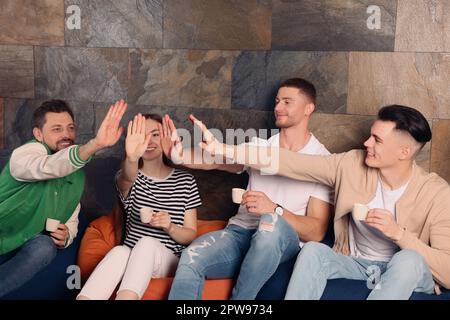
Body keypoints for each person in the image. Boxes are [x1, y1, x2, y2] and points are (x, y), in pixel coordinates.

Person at [193, 104, 450, 299]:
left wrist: (399, 234)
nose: (366, 142)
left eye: (377, 140)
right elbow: (290, 162)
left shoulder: (436, 193)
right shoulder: (351, 164)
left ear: (404, 152)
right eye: (370, 135)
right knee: (315, 252)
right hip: (356, 263)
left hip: (402, 268)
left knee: (409, 260)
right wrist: (225, 149)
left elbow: (448, 271)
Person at [167, 78, 334, 300]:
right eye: (277, 101)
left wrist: (274, 209)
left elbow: (316, 231)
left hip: (281, 240)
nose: (277, 107)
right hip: (240, 233)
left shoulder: (322, 160)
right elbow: (216, 159)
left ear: (308, 108)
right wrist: (178, 156)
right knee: (191, 257)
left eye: (287, 102)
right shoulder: (259, 147)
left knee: (270, 224)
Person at [0, 99, 127, 298]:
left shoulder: (76, 175)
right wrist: (94, 145)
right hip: (3, 228)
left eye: (70, 128)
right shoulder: (26, 154)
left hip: (30, 237)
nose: (66, 135)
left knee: (45, 248)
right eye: (57, 129)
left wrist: (66, 235)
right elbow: (49, 166)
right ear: (38, 134)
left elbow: (72, 216)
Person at [77, 114, 202, 300]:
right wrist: (132, 158)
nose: (149, 141)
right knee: (119, 251)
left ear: (167, 138)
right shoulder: (130, 176)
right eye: (142, 135)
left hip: (168, 260)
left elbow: (190, 235)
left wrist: (170, 226)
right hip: (132, 256)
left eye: (155, 135)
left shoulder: (186, 181)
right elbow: (127, 177)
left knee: (147, 243)